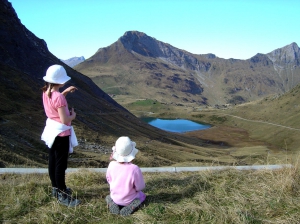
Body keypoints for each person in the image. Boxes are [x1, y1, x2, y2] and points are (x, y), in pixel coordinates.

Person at [41, 64, 80, 207]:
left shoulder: (46, 91)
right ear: (61, 81)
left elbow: (55, 102)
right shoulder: (59, 98)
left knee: (52, 160)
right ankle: (62, 194)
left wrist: (65, 92)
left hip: (51, 131)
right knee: (60, 165)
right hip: (61, 134)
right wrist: (73, 116)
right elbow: (65, 119)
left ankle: (55, 189)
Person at [106, 136, 146, 216]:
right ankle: (132, 205)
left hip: (115, 197)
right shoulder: (134, 169)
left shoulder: (111, 165)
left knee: (109, 196)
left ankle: (111, 202)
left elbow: (109, 180)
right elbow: (140, 187)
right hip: (129, 199)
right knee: (142, 196)